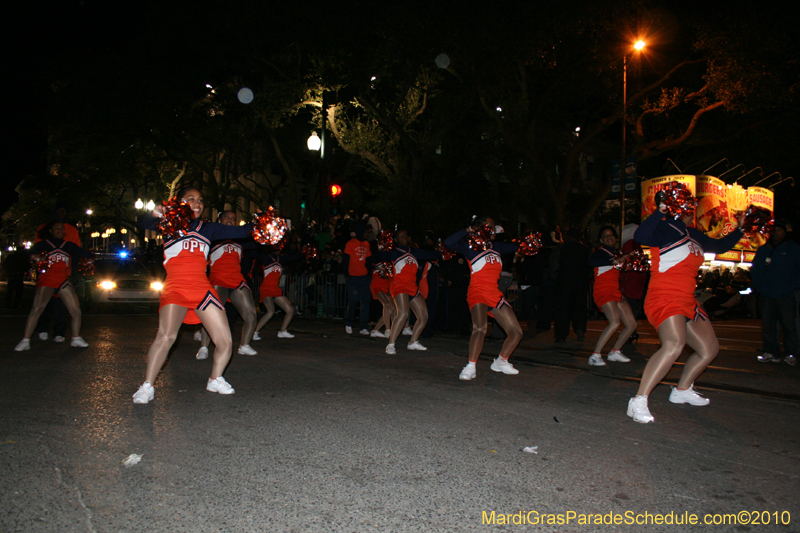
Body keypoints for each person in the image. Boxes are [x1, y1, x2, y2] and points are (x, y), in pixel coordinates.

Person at [132, 187, 255, 404]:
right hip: (176, 287)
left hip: (201, 289)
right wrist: (153, 213)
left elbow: (242, 231)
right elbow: (143, 224)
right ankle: (147, 386)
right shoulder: (169, 225)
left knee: (225, 341)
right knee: (166, 337)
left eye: (200, 200)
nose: (197, 203)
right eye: (191, 199)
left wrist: (265, 225)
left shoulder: (208, 228)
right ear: (180, 203)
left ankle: (215, 379)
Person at [628, 195, 744, 423]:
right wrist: (661, 210)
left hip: (688, 300)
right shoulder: (665, 227)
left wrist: (740, 229)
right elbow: (640, 236)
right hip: (665, 297)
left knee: (709, 349)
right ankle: (638, 400)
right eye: (692, 210)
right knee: (673, 345)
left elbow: (720, 246)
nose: (696, 214)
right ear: (683, 211)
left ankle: (681, 390)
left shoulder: (695, 235)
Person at [445, 217, 523, 380]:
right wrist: (468, 230)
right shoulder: (469, 247)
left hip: (494, 294)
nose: (494, 229)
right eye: (491, 226)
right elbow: (449, 243)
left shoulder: (498, 247)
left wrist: (529, 243)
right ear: (480, 227)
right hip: (477, 292)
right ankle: (471, 365)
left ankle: (501, 361)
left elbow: (519, 246)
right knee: (480, 328)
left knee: (516, 332)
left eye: (494, 227)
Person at [14, 221, 93, 351]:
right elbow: (25, 254)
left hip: (63, 280)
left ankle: (76, 338)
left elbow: (86, 254)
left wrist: (90, 260)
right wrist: (34, 257)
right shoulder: (43, 244)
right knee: (37, 309)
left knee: (76, 311)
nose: (60, 230)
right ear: (50, 230)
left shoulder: (68, 245)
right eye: (57, 228)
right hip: (47, 279)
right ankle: (25, 340)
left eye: (62, 228)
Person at [196, 211, 259, 360]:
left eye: (233, 218)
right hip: (218, 279)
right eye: (227, 217)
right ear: (219, 219)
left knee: (251, 314)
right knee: (211, 315)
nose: (231, 219)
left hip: (237, 280)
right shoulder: (211, 235)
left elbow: (258, 242)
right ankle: (204, 347)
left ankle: (244, 345)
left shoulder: (241, 237)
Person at [383, 230, 441, 354]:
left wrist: (444, 252)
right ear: (396, 239)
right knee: (403, 313)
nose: (404, 237)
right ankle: (391, 344)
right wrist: (381, 247)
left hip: (412, 287)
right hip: (399, 286)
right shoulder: (394, 252)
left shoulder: (414, 251)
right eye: (401, 236)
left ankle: (413, 342)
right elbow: (378, 257)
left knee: (424, 316)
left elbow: (432, 254)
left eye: (405, 235)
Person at [751, 219, 799, 365]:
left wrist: (790, 287)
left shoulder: (793, 249)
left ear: (785, 232)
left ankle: (791, 353)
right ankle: (771, 352)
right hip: (767, 294)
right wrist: (760, 287)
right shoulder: (764, 249)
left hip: (786, 295)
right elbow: (756, 269)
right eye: (774, 230)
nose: (776, 233)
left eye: (779, 230)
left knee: (789, 326)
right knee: (768, 326)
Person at [587, 226, 637, 365]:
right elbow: (591, 262)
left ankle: (615, 351)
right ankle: (595, 355)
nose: (609, 237)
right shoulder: (601, 253)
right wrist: (614, 262)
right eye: (605, 236)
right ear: (601, 240)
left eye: (611, 235)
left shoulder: (616, 254)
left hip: (615, 291)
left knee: (631, 324)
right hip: (603, 291)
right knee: (614, 322)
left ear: (615, 238)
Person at [253, 249, 304, 339]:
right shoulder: (266, 257)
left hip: (276, 289)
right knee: (270, 311)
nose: (278, 250)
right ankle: (255, 332)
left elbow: (294, 257)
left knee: (290, 310)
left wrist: (305, 252)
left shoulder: (281, 259)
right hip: (266, 288)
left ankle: (282, 331)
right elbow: (253, 253)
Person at [552, 228, 591, 342]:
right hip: (580, 282)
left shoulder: (561, 248)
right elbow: (590, 266)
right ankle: (580, 329)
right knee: (579, 307)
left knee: (562, 308)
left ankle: (561, 334)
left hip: (564, 281)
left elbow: (555, 265)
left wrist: (555, 277)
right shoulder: (585, 249)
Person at [342, 224, 372, 335]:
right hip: (353, 276)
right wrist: (347, 274)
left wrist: (369, 273)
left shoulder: (367, 244)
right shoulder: (350, 243)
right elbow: (345, 260)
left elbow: (368, 260)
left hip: (364, 277)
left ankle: (363, 327)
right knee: (353, 300)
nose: (367, 235)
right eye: (366, 232)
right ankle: (349, 323)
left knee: (365, 302)